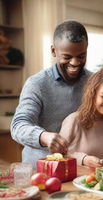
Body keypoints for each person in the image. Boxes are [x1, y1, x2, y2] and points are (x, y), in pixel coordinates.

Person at [11, 20, 91, 168]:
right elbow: (18, 126)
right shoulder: (37, 84)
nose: (74, 63)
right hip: (38, 170)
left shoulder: (94, 82)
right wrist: (43, 136)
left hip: (79, 169)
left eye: (81, 56)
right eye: (67, 57)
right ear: (54, 51)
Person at [59, 66, 103, 170]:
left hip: (102, 182)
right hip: (74, 181)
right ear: (93, 94)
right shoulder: (74, 120)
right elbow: (56, 155)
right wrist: (83, 159)